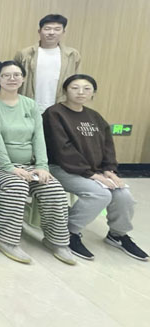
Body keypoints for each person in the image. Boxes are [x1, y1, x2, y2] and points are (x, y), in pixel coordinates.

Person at [0, 61, 74, 265]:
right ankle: (3, 238)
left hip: (27, 164)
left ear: (23, 79)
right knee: (16, 185)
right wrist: (9, 167)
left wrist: (42, 166)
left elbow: (39, 137)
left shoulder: (30, 104)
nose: (12, 79)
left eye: (16, 75)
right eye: (6, 75)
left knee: (54, 188)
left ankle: (57, 241)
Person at [43, 74, 147, 261]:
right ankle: (68, 232)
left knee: (124, 195)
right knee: (99, 194)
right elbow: (62, 149)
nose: (81, 92)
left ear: (93, 93)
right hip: (62, 168)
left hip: (94, 171)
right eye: (75, 88)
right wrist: (91, 175)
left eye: (87, 88)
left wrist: (109, 170)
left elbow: (108, 146)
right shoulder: (54, 114)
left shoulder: (95, 116)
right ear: (65, 90)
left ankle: (117, 235)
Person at [14, 14, 81, 113]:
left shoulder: (72, 55)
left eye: (57, 29)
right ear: (39, 31)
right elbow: (15, 81)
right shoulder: (25, 54)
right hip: (28, 106)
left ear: (63, 32)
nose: (52, 33)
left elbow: (76, 82)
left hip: (60, 108)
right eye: (47, 29)